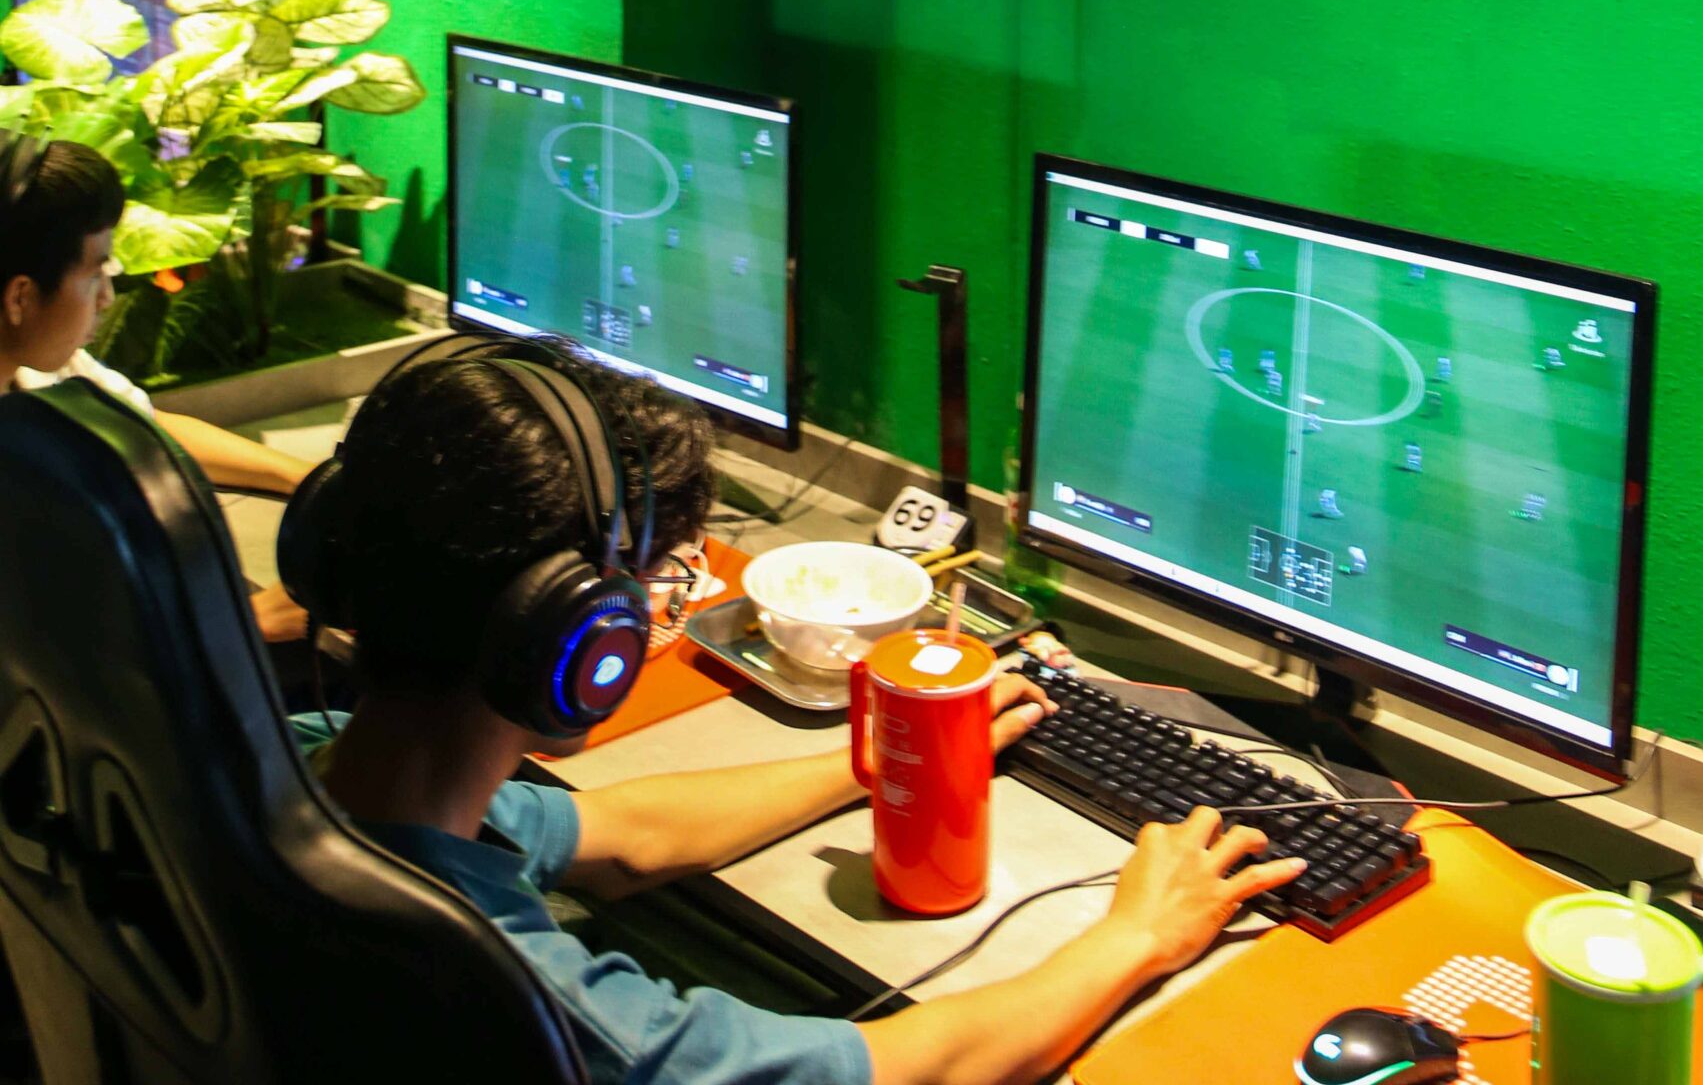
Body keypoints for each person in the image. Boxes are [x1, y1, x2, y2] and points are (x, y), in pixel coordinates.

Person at [294, 342, 1304, 1085]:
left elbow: (623, 837)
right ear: (580, 634)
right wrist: (1138, 935)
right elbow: (922, 1065)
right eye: (659, 582)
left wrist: (876, 760)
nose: (660, 612)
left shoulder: (315, 768)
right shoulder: (539, 1007)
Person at [0, 132, 314, 638]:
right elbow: (49, 644)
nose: (107, 298)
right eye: (96, 274)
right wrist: (251, 622)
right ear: (20, 298)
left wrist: (310, 479)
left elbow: (140, 427)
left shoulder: (40, 364)